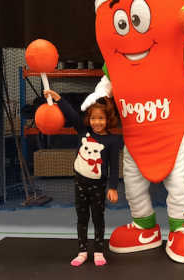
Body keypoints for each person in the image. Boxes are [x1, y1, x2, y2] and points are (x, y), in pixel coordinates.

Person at [80, 0, 184, 263]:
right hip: (135, 137)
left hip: (171, 133)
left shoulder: (176, 53)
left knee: (178, 185)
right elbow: (107, 82)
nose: (131, 34)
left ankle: (181, 230)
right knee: (134, 186)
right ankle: (144, 227)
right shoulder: (115, 63)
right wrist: (98, 94)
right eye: (123, 24)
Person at [44, 89, 120, 267]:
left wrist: (113, 188)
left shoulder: (112, 140)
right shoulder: (83, 130)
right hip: (80, 184)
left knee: (98, 218)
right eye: (93, 118)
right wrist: (58, 99)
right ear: (88, 119)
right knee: (82, 218)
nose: (97, 122)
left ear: (108, 119)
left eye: (101, 118)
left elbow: (114, 166)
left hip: (99, 185)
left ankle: (99, 251)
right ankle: (82, 251)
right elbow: (70, 114)